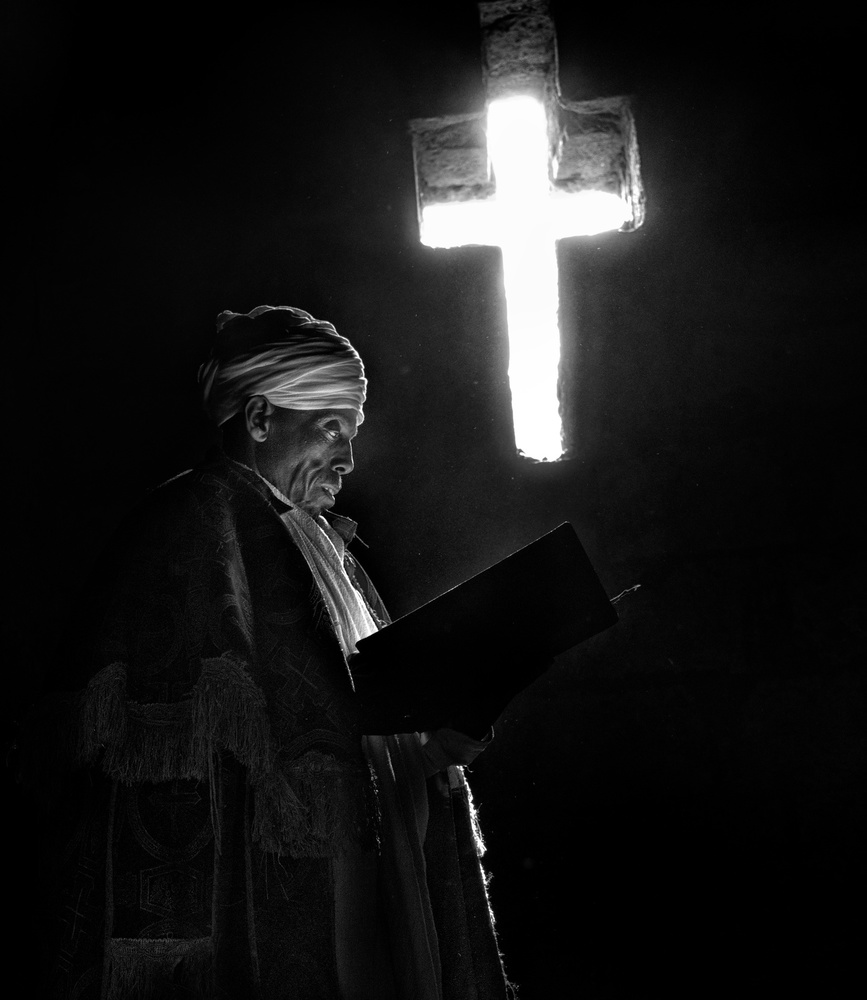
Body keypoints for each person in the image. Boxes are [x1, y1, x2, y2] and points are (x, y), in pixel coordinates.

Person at [18, 305, 514, 999]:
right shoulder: (188, 531)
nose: (347, 458)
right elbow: (174, 771)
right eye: (332, 428)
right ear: (258, 418)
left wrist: (441, 734)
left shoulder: (323, 548)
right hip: (269, 905)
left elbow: (365, 725)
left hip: (369, 887)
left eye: (353, 432)